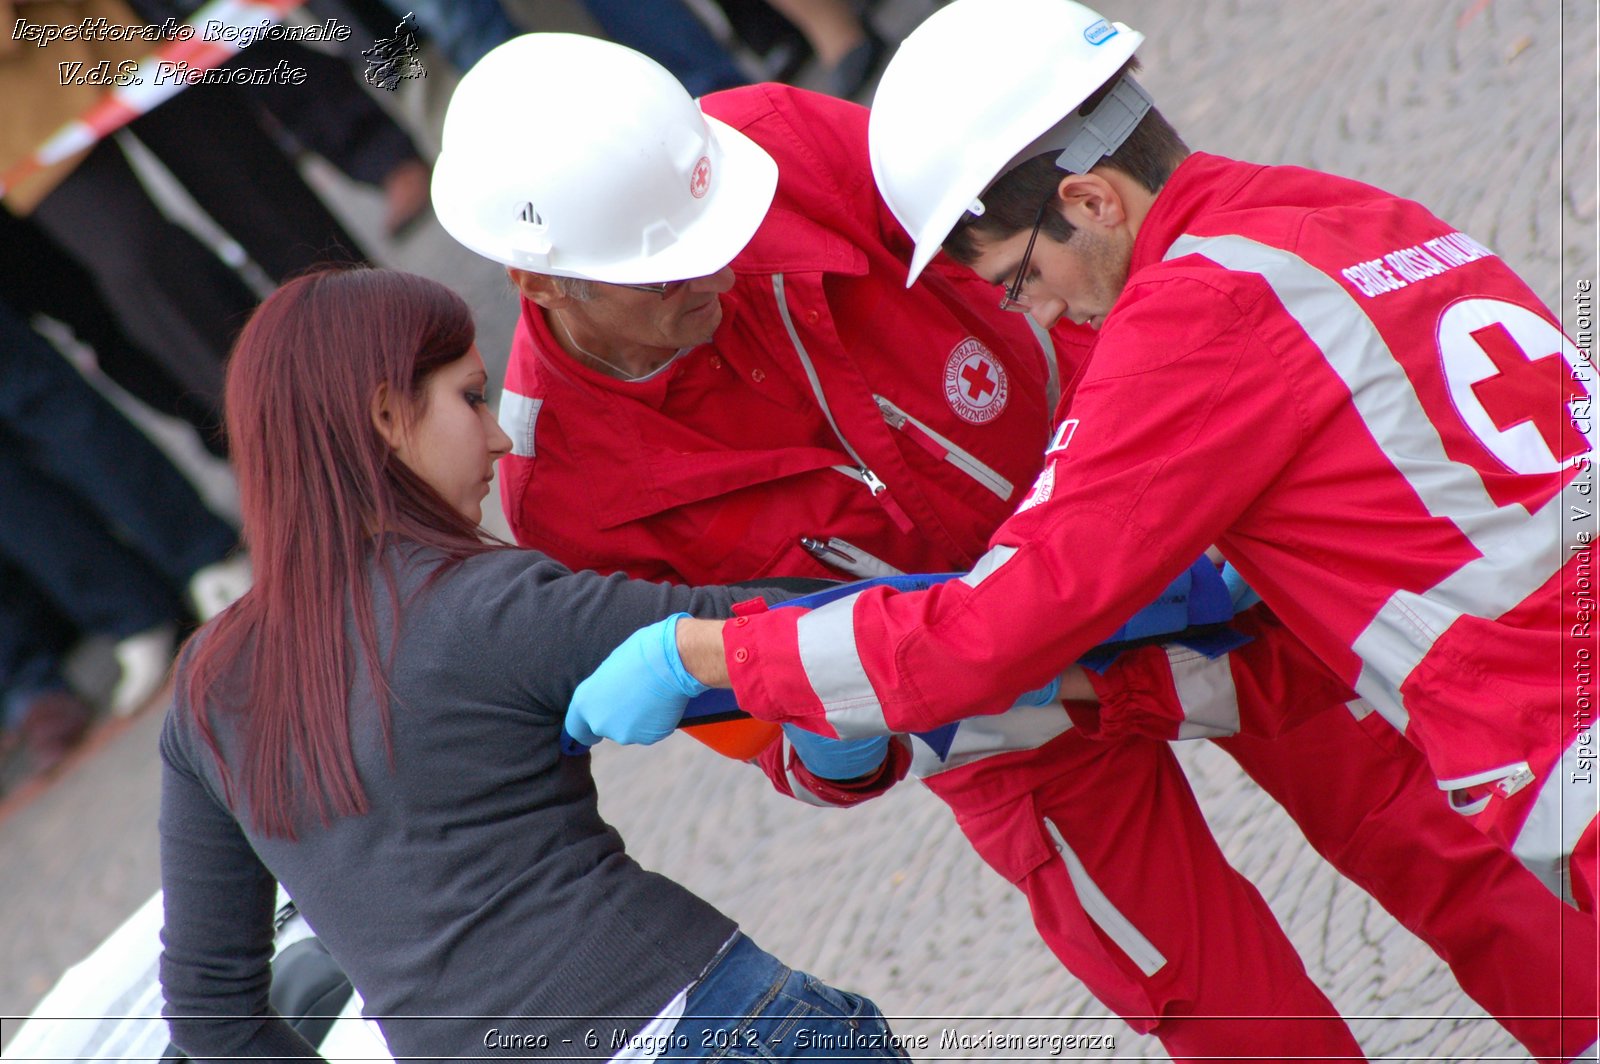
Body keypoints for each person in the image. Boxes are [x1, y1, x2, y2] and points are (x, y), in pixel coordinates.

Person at [430, 33, 1598, 1062]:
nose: (719, 270)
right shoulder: (563, 493)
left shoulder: (766, 147)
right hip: (1005, 718)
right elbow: (782, 731)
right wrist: (830, 744)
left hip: (1173, 554)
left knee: (1448, 850)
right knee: (1228, 1009)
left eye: (718, 234)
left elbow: (1024, 246)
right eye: (668, 271)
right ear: (539, 282)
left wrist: (1155, 471)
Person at [157, 267, 909, 1063]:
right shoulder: (481, 605)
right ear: (385, 415)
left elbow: (210, 1016)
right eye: (471, 398)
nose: (500, 436)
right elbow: (823, 622)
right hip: (697, 1024)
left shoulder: (205, 688)